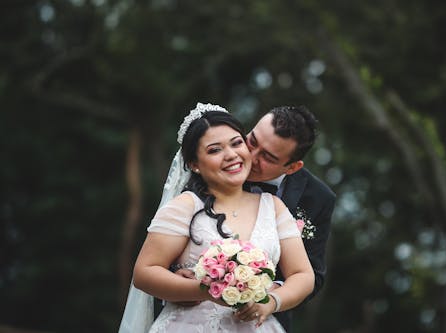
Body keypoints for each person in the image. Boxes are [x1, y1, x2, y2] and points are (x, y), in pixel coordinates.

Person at [119, 103, 314, 333]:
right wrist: (204, 290)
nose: (231, 155)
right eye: (214, 150)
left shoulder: (273, 207)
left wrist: (271, 302)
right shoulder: (185, 206)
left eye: (236, 143)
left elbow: (303, 275)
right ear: (194, 164)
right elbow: (144, 273)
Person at [173, 105, 336, 332]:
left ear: (292, 167)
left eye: (267, 157)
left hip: (260, 323)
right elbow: (170, 239)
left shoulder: (317, 198)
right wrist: (176, 276)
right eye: (252, 141)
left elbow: (312, 276)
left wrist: (263, 293)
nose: (250, 155)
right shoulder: (209, 165)